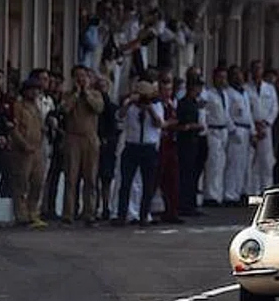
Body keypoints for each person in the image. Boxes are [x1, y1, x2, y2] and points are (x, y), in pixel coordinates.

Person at [59, 65, 106, 225]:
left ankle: (89, 212)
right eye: (77, 76)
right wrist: (76, 94)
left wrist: (86, 94)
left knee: (90, 178)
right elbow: (65, 109)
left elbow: (98, 108)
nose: (81, 79)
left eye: (83, 76)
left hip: (90, 138)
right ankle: (68, 212)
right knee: (71, 177)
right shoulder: (68, 95)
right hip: (73, 138)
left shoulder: (96, 94)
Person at [115, 81, 165, 224]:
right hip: (132, 145)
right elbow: (119, 116)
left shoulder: (156, 105)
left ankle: (144, 214)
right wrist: (130, 102)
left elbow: (159, 124)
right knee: (126, 183)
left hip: (148, 147)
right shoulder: (130, 106)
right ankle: (122, 214)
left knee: (148, 184)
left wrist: (149, 109)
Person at [7, 78, 47, 229]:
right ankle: (21, 215)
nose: (35, 92)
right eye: (32, 89)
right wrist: (23, 144)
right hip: (22, 150)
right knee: (21, 183)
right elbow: (14, 128)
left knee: (37, 182)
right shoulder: (18, 106)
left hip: (37, 149)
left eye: (37, 89)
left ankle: (33, 212)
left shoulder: (36, 107)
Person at [199, 64, 232, 207]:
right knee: (213, 163)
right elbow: (202, 107)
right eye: (220, 77)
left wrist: (233, 129)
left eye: (224, 78)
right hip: (213, 131)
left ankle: (219, 194)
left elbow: (227, 114)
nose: (222, 80)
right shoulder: (208, 94)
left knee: (221, 164)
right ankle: (210, 196)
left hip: (223, 130)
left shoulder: (225, 94)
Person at [175, 72, 207, 218]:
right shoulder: (184, 103)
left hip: (196, 141)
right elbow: (183, 124)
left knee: (194, 174)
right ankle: (184, 204)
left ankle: (191, 203)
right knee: (186, 174)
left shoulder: (195, 102)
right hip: (186, 142)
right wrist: (195, 126)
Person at [223, 68, 253, 205]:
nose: (239, 77)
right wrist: (232, 129)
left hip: (246, 128)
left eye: (240, 74)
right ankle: (230, 194)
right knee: (233, 163)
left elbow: (249, 113)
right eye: (236, 75)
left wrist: (253, 132)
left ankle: (240, 191)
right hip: (237, 127)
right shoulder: (229, 93)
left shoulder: (244, 93)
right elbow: (226, 112)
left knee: (243, 164)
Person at [249, 65, 279, 196]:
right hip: (252, 126)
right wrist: (253, 125)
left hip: (266, 127)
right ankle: (252, 191)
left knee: (266, 161)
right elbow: (246, 109)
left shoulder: (270, 89)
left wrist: (266, 122)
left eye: (259, 69)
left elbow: (275, 107)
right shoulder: (246, 89)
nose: (257, 72)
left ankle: (266, 190)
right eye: (255, 69)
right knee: (251, 161)